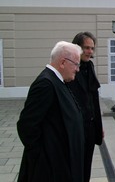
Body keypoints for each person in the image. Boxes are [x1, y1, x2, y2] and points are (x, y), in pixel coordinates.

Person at [17, 41, 85, 182]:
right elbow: (26, 126)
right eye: (76, 64)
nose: (77, 69)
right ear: (62, 62)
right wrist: (44, 158)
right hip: (50, 168)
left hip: (61, 162)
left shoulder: (58, 81)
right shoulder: (45, 84)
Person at [67, 32, 104, 182]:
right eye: (86, 48)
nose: (90, 51)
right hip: (76, 128)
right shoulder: (70, 69)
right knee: (75, 168)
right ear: (77, 48)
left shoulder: (89, 66)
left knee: (87, 166)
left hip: (90, 126)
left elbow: (94, 99)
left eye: (92, 48)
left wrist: (98, 126)